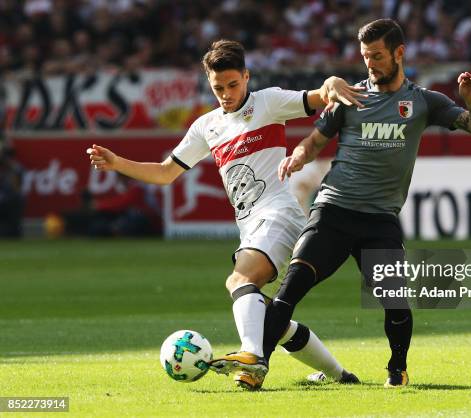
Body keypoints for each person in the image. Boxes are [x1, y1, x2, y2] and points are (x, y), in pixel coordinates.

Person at [87, 39, 364, 390]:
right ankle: (341, 376)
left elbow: (319, 96)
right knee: (269, 316)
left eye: (233, 85)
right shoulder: (207, 126)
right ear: (209, 83)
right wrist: (117, 163)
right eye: (218, 88)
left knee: (238, 280)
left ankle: (252, 358)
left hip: (279, 214)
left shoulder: (268, 101)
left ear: (246, 77)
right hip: (251, 228)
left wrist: (332, 82)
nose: (227, 94)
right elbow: (164, 173)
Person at [256, 19, 471, 388]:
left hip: (379, 221)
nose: (371, 64)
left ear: (400, 53)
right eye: (366, 56)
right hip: (333, 211)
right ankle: (257, 367)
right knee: (288, 291)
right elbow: (314, 142)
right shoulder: (349, 97)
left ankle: (397, 369)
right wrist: (298, 156)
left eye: (378, 56)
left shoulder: (423, 101)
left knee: (396, 305)